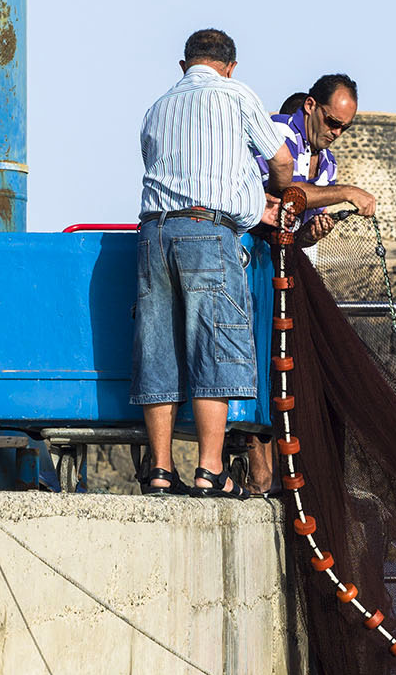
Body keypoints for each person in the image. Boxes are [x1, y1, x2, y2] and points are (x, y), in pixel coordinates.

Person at [136, 29, 364, 499]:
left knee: (158, 352)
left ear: (185, 65)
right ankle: (210, 469)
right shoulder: (237, 95)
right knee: (215, 349)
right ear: (230, 67)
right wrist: (280, 194)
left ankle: (159, 470)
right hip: (208, 231)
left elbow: (155, 161)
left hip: (154, 231)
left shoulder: (158, 106)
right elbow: (280, 162)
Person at [246, 76, 378, 493]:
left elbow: (297, 223)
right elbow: (288, 196)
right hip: (251, 260)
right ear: (310, 106)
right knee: (253, 358)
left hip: (286, 265)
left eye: (344, 128)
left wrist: (312, 234)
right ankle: (258, 465)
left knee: (284, 365)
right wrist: (345, 193)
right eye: (332, 122)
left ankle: (284, 469)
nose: (336, 133)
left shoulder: (330, 163)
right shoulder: (279, 132)